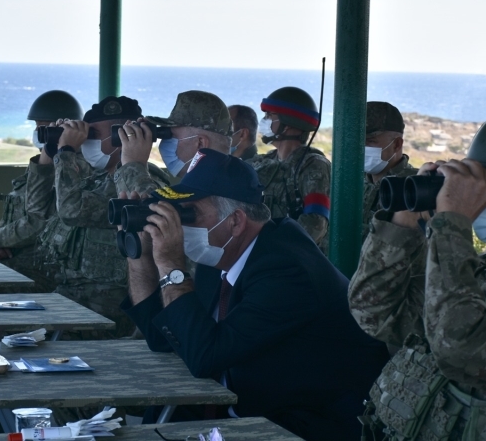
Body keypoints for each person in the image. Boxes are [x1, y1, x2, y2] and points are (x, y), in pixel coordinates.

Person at [122, 149, 389, 441]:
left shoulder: (287, 272)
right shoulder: (224, 254)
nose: (183, 226)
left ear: (235, 221)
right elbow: (163, 337)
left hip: (304, 422)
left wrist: (172, 267)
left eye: (190, 213)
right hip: (244, 405)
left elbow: (204, 357)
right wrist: (140, 254)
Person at [349, 101, 486, 439]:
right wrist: (404, 222)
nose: (485, 201)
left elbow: (458, 345)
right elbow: (374, 312)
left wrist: (453, 222)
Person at [36, 96, 170, 338]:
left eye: (94, 135)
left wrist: (67, 151)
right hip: (72, 298)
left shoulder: (140, 183)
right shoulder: (96, 178)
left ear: (123, 135)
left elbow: (71, 210)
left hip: (105, 308)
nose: (87, 142)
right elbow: (37, 208)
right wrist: (52, 152)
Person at [0, 90, 83, 292]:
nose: (41, 134)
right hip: (18, 256)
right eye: (38, 127)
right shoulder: (44, 163)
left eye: (46, 128)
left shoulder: (73, 169)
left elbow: (37, 219)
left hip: (46, 266)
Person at [247, 87, 331, 254]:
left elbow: (315, 224)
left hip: (291, 262)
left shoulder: (313, 166)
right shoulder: (266, 161)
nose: (264, 121)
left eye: (270, 116)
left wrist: (275, 250)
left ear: (289, 124)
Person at [114, 90, 233, 196]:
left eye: (172, 135)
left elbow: (154, 215)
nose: (165, 142)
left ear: (200, 143)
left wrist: (133, 163)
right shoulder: (225, 180)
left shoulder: (218, 193)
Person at [361, 101, 419, 241]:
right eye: (358, 139)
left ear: (397, 144)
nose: (361, 147)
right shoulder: (350, 181)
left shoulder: (414, 187)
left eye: (370, 141)